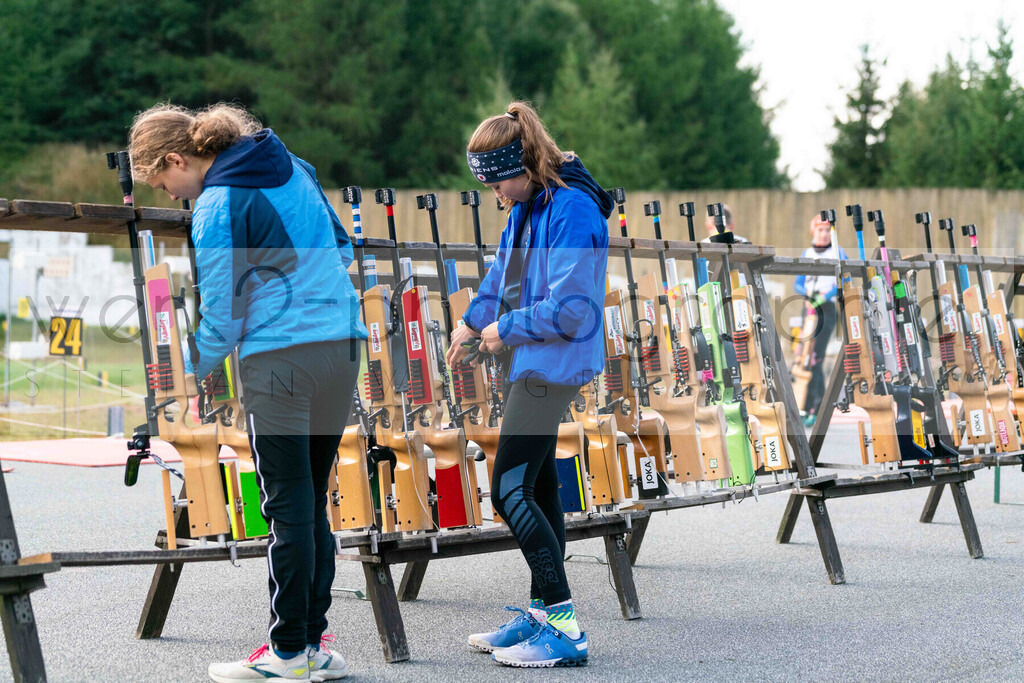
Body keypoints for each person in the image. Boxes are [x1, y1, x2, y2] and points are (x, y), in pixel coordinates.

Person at [129, 103, 366, 681]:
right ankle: (313, 645)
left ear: (178, 158)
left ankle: (287, 653)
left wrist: (176, 377)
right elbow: (341, 245)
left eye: (167, 184)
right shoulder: (294, 163)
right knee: (311, 501)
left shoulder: (217, 203)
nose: (174, 198)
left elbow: (222, 316)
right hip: (342, 347)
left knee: (286, 508)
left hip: (279, 359)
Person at [446, 101, 611, 668]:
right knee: (539, 490)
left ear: (524, 166)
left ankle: (564, 628)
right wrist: (472, 321)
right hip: (532, 360)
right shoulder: (527, 205)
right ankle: (541, 613)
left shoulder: (573, 209)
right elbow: (502, 275)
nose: (494, 195)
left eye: (497, 182)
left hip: (555, 363)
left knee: (508, 490)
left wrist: (502, 330)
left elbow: (569, 309)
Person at [794, 214, 848, 427]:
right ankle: (803, 406)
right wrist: (808, 295)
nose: (824, 234)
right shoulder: (807, 253)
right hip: (808, 309)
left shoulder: (837, 252)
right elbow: (798, 284)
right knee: (804, 357)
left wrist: (823, 296)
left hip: (826, 310)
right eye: (820, 230)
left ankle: (818, 407)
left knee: (817, 357)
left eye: (827, 230)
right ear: (813, 231)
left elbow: (841, 281)